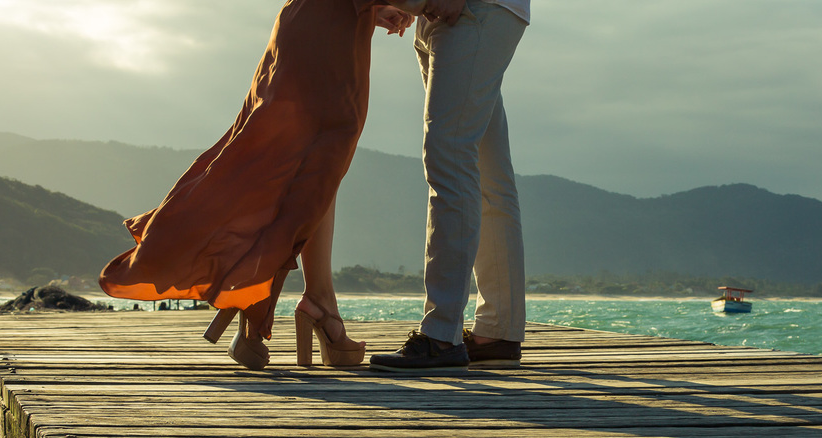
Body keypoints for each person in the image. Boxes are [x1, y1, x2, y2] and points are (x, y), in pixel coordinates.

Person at [99, 1, 420, 369]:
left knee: (305, 164)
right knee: (316, 161)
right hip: (329, 34)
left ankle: (287, 299)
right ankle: (293, 301)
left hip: (321, 23)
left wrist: (373, 9)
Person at [370, 0, 529, 371]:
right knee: (488, 174)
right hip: (447, 15)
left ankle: (442, 336)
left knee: (450, 159)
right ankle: (497, 331)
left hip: (470, 10)